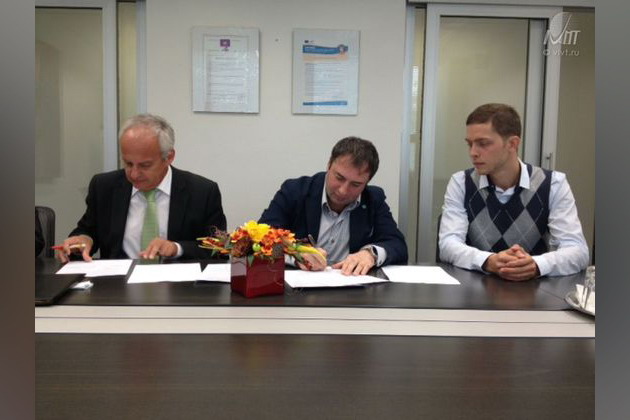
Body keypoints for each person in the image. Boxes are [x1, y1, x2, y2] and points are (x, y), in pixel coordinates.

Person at [438, 103, 589, 281]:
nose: (473, 153)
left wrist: (536, 264)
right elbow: (448, 244)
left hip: (534, 290)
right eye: (469, 144)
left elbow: (578, 250)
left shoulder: (553, 184)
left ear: (512, 144)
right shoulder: (461, 182)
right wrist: (489, 260)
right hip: (473, 288)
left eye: (483, 144)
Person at [56, 114, 226, 262]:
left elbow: (219, 249)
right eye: (128, 163)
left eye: (145, 165)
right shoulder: (104, 187)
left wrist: (176, 248)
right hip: (117, 283)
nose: (134, 174)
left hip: (177, 285)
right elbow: (87, 230)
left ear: (169, 157)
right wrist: (83, 240)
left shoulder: (202, 192)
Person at [259, 136, 408, 275]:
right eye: (339, 177)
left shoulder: (373, 199)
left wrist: (370, 255)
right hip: (298, 288)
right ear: (329, 165)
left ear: (367, 183)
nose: (343, 190)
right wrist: (295, 254)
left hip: (352, 286)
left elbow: (397, 245)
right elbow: (259, 241)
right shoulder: (295, 191)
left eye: (356, 184)